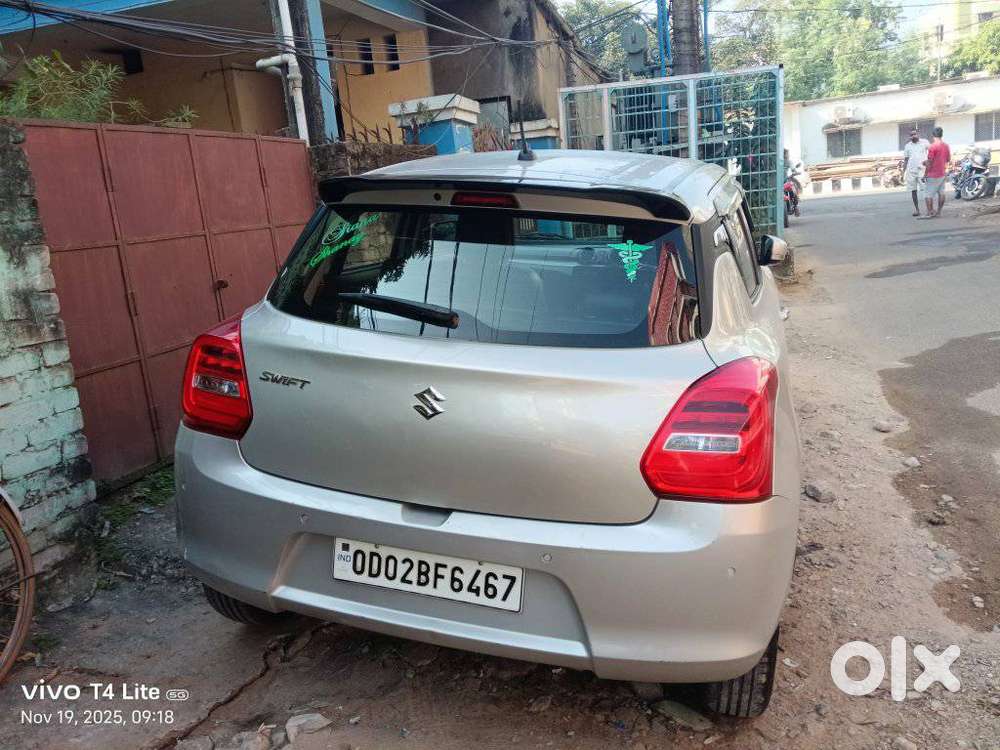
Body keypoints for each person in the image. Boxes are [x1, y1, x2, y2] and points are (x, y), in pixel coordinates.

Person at [919, 126, 951, 219]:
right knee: (941, 193)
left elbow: (929, 162)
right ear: (942, 135)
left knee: (928, 194)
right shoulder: (946, 146)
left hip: (933, 174)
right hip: (942, 172)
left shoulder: (932, 147)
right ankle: (939, 212)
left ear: (933, 135)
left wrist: (925, 174)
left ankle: (930, 212)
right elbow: (948, 159)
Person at [902, 129, 929, 217]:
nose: (913, 136)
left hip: (922, 170)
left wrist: (930, 163)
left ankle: (929, 209)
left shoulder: (924, 142)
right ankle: (917, 210)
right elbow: (906, 159)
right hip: (911, 170)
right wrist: (903, 171)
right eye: (911, 135)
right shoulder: (907, 146)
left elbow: (932, 151)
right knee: (913, 191)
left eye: (915, 134)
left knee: (925, 190)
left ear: (918, 134)